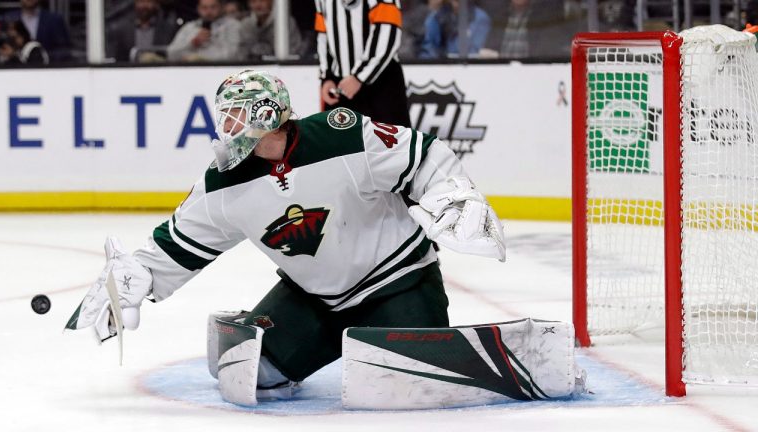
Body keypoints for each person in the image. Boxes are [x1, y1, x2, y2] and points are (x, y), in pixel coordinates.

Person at [65, 69, 506, 398]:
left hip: (399, 284)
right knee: (246, 373)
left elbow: (424, 156)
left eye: (237, 114)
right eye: (227, 116)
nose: (228, 126)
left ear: (266, 114)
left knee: (416, 388)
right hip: (313, 300)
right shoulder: (223, 183)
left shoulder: (343, 135)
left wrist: (454, 193)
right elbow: (179, 243)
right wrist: (135, 278)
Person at [314, 0, 411, 127]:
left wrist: (359, 77)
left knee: (392, 143)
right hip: (341, 87)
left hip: (381, 84)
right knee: (340, 145)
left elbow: (387, 32)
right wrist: (327, 77)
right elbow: (323, 33)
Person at [167, 0, 241, 62]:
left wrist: (200, 58)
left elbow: (233, 55)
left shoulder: (233, 26)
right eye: (204, 8)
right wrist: (192, 43)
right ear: (198, 9)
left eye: (213, 7)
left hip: (222, 71)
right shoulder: (189, 27)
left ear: (221, 7)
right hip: (191, 72)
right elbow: (171, 54)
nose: (209, 11)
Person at [107, 0, 179, 63]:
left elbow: (170, 55)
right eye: (141, 1)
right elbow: (118, 58)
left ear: (156, 4)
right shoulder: (122, 29)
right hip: (129, 73)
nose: (144, 5)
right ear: (135, 3)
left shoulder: (167, 29)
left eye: (148, 2)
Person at [3, 0, 70, 62]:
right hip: (13, 70)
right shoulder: (8, 18)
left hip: (46, 70)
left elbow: (64, 50)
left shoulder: (54, 20)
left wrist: (43, 56)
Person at [419, 0, 490, 59]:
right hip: (440, 67)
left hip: (466, 68)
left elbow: (473, 52)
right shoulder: (437, 16)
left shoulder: (480, 18)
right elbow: (428, 48)